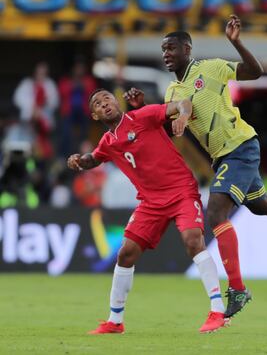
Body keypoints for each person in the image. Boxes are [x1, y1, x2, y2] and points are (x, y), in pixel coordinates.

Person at [125, 14, 267, 319]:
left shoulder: (211, 68)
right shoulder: (172, 93)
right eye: (163, 50)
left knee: (215, 211)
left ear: (187, 48)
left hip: (240, 146)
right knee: (263, 206)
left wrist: (236, 43)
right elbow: (165, 132)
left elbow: (255, 71)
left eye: (171, 48)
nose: (166, 54)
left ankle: (237, 289)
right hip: (222, 157)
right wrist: (142, 110)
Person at [67, 89, 226, 334]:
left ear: (116, 101)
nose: (104, 104)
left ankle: (217, 311)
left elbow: (182, 103)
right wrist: (78, 160)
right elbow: (94, 159)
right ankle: (115, 321)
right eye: (98, 104)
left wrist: (183, 116)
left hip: (181, 190)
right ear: (95, 116)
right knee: (125, 254)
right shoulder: (108, 143)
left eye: (107, 98)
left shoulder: (143, 116)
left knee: (193, 240)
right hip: (150, 202)